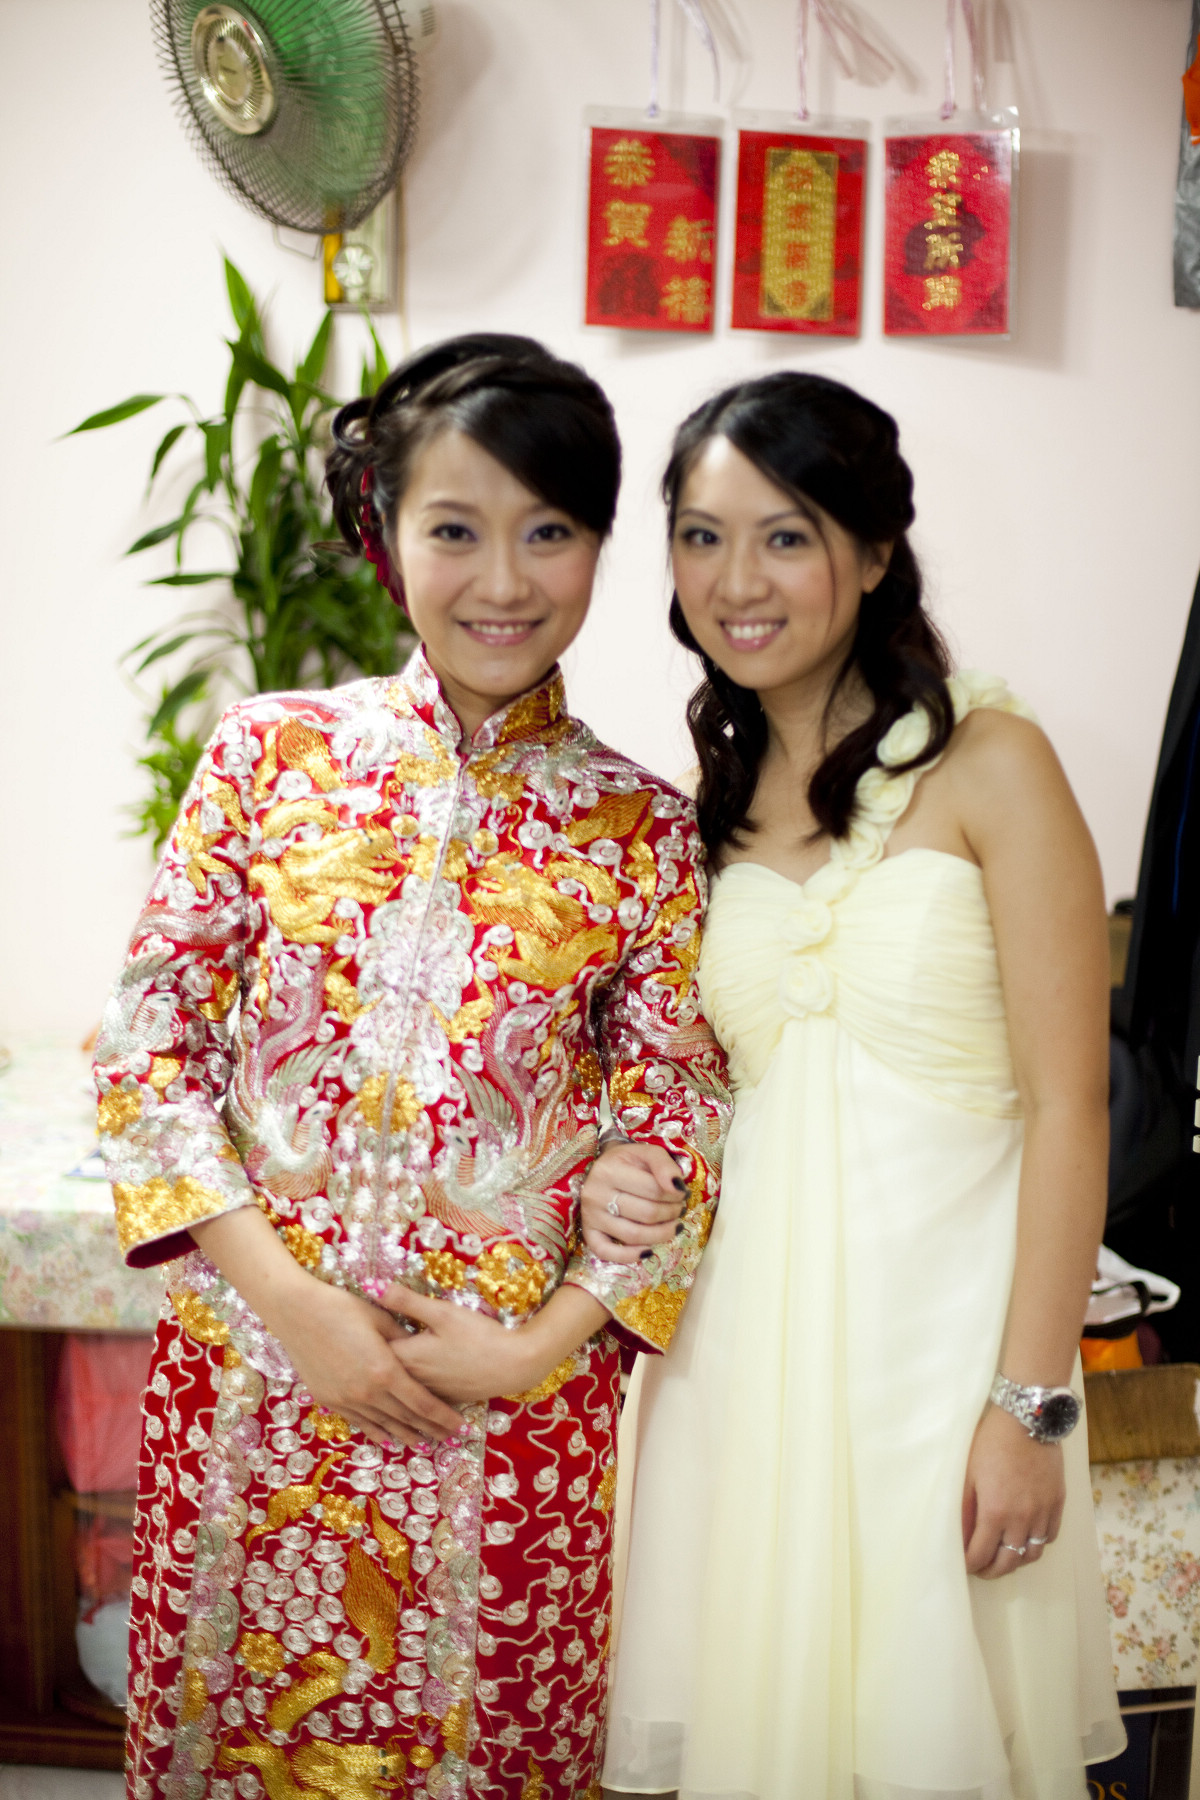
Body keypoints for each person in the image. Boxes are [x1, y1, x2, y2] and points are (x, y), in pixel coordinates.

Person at [94, 332, 730, 1800]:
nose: (504, 580)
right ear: (386, 532)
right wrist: (293, 1306)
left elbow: (680, 1110)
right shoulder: (266, 757)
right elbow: (149, 1049)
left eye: (549, 532)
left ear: (601, 544)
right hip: (255, 1377)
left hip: (510, 1414)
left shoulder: (645, 828)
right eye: (456, 530)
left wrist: (537, 1346)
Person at [584, 372, 1125, 1800]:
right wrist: (617, 1161)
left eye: (786, 536)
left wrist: (1031, 1404)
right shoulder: (696, 813)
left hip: (942, 1370)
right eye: (702, 538)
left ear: (877, 552)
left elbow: (1072, 1108)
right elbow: (678, 1091)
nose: (736, 582)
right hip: (738, 1366)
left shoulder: (994, 763)